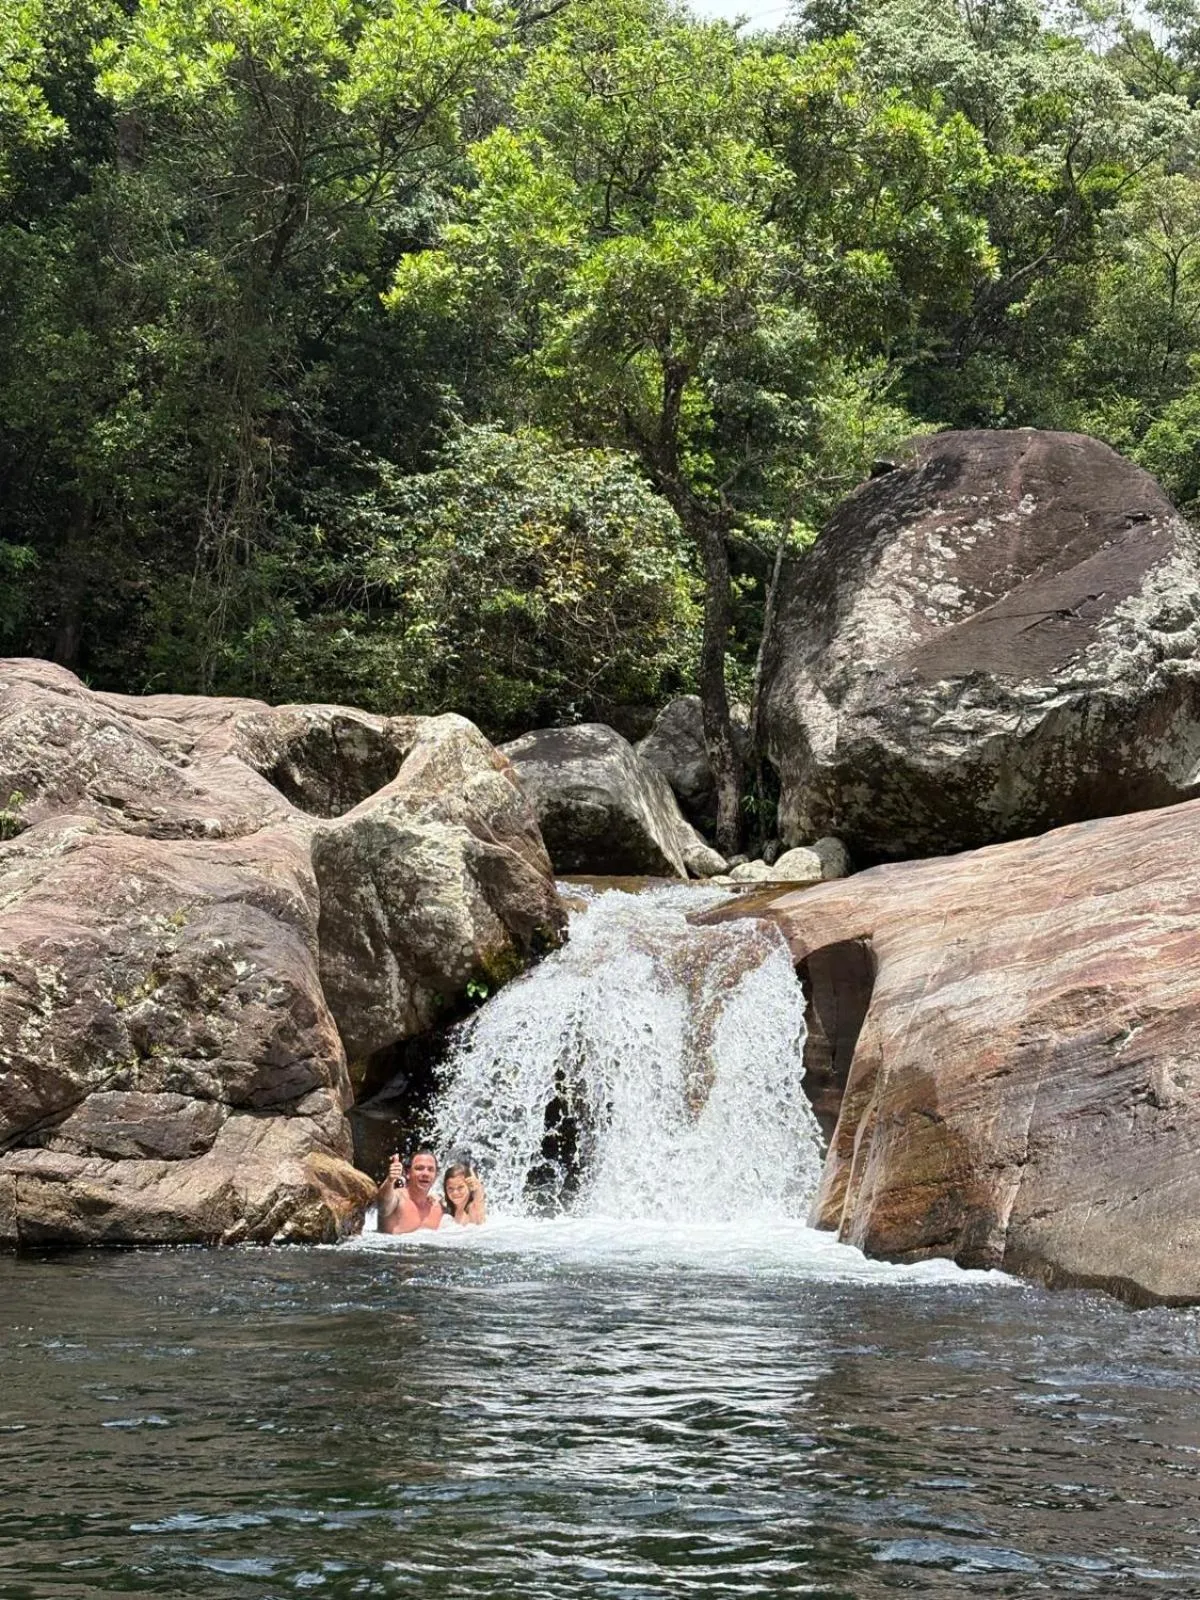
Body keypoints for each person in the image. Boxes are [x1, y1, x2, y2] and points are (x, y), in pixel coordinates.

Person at [375, 1147, 443, 1235]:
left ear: (436, 1176)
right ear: (407, 1173)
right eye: (419, 1168)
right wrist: (390, 1180)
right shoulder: (398, 1199)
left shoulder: (437, 1206)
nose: (425, 1174)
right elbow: (383, 1206)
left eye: (430, 1169)